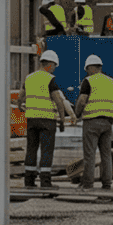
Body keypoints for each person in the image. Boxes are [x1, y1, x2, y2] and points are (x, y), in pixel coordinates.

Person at [20, 49, 69, 188]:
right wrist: (62, 119)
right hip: (47, 120)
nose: (54, 69)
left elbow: (20, 96)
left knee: (31, 149)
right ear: (50, 64)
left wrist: (20, 106)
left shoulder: (29, 77)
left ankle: (29, 181)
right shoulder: (50, 79)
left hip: (31, 119)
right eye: (54, 66)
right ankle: (45, 182)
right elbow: (58, 101)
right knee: (47, 150)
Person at [74, 54, 113, 190]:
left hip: (92, 121)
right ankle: (107, 183)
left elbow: (81, 101)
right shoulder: (112, 81)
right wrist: (110, 114)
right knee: (106, 154)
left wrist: (77, 114)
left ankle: (88, 184)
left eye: (87, 69)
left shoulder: (89, 81)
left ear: (91, 68)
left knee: (90, 154)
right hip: (108, 122)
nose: (87, 72)